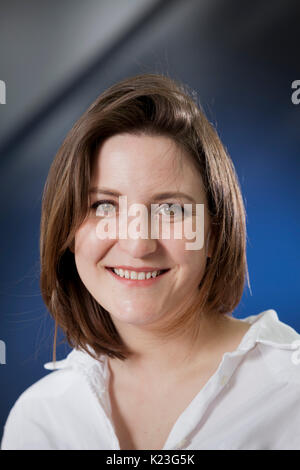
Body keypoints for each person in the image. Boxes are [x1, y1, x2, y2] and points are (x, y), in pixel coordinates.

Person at [1, 74, 300, 450]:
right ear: (69, 232)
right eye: (104, 205)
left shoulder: (292, 395)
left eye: (171, 209)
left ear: (214, 230)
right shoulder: (40, 419)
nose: (138, 243)